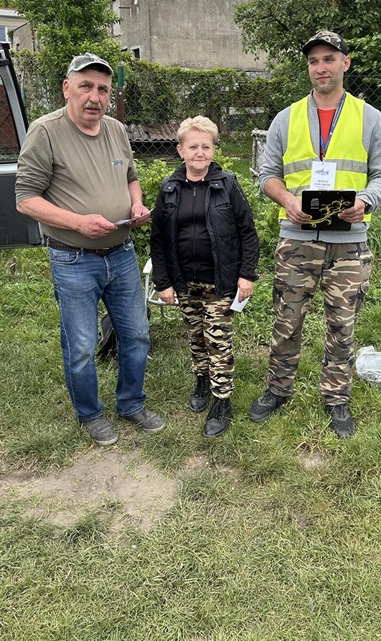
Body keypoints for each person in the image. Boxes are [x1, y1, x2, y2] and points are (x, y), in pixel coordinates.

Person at [249, 31, 381, 437]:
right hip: (297, 239)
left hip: (349, 244)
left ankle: (336, 398)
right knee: (286, 319)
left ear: (345, 63)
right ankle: (278, 389)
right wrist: (286, 199)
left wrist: (365, 201)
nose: (321, 67)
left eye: (329, 59)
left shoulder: (369, 118)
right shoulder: (286, 118)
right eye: (314, 61)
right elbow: (267, 175)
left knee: (342, 325)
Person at [15, 53, 164, 446]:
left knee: (137, 335)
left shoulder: (115, 129)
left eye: (103, 89)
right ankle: (90, 414)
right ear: (67, 88)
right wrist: (79, 222)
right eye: (86, 86)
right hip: (73, 257)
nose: (94, 97)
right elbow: (25, 199)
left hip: (121, 252)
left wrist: (137, 205)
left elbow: (131, 177)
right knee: (81, 346)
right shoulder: (45, 132)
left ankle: (131, 404)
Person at [150, 116, 259, 437]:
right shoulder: (169, 188)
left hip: (220, 281)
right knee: (196, 335)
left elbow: (248, 233)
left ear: (213, 150)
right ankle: (201, 381)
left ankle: (222, 400)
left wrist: (246, 275)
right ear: (180, 150)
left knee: (217, 340)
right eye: (193, 146)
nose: (200, 153)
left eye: (206, 147)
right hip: (184, 280)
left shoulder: (227, 184)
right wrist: (163, 282)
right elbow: (158, 239)